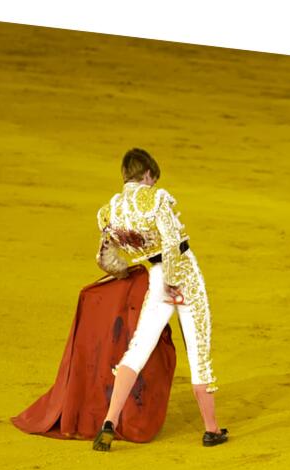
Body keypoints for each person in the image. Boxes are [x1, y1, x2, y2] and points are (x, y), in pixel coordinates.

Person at [92, 148, 227, 451]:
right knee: (198, 350)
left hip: (155, 277)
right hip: (183, 275)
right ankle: (211, 429)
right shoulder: (156, 198)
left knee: (138, 348)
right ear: (148, 174)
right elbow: (172, 243)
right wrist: (174, 281)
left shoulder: (108, 212)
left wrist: (125, 271)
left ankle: (109, 421)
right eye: (153, 178)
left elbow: (104, 258)